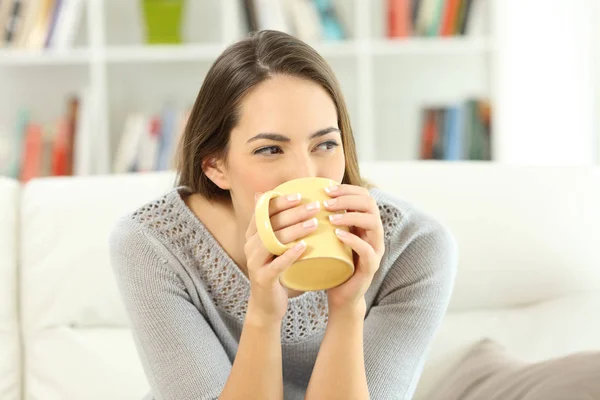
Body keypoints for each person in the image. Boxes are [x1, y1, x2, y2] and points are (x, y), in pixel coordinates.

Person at [109, 30, 457, 400]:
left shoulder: (413, 248)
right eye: (271, 150)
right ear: (215, 165)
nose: (306, 174)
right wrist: (262, 314)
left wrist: (346, 308)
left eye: (324, 144)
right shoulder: (153, 245)